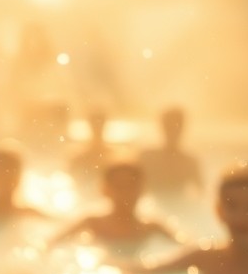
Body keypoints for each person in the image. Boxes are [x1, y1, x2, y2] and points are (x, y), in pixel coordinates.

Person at [49, 161, 180, 248]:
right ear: (105, 190)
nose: (126, 193)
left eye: (132, 186)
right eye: (119, 187)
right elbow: (50, 245)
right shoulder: (91, 223)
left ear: (142, 190)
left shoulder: (151, 227)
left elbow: (187, 246)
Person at [136, 106, 204, 198]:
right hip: (152, 205)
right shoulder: (146, 157)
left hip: (178, 207)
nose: (173, 130)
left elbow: (200, 193)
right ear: (162, 127)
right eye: (169, 125)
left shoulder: (189, 162)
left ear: (182, 128)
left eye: (176, 125)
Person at [68, 108, 119, 183]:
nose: (97, 127)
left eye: (99, 123)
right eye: (95, 123)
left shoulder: (114, 155)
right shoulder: (78, 156)